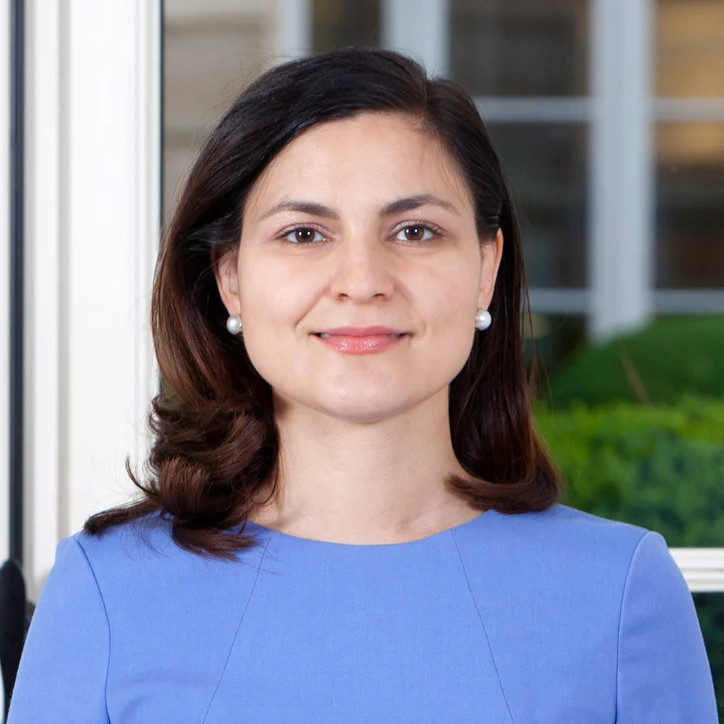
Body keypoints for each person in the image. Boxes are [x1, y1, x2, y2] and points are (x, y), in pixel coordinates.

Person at [8, 48, 717, 723]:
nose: (362, 282)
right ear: (230, 278)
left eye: (414, 232)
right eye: (304, 234)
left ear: (486, 268)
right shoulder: (107, 592)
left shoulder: (621, 593)